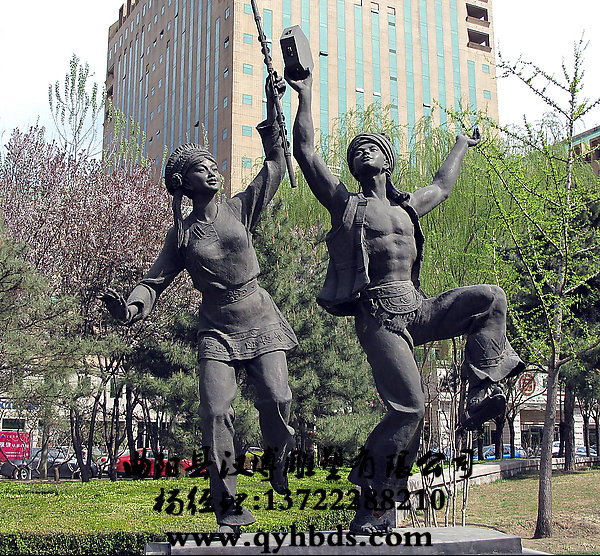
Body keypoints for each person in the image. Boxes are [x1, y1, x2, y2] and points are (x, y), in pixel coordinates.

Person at [285, 69, 524, 533]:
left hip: (418, 307)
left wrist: (461, 143)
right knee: (410, 409)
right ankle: (374, 500)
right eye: (355, 151)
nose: (361, 152)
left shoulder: (407, 208)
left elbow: (444, 185)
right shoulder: (346, 205)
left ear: (387, 161)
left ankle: (479, 390)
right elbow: (307, 153)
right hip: (379, 316)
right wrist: (307, 93)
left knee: (490, 298)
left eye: (370, 147)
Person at [101, 76, 297, 533]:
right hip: (216, 329)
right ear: (183, 184)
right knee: (215, 412)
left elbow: (275, 164)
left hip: (259, 315)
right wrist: (130, 309)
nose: (212, 172)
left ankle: (278, 458)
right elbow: (153, 282)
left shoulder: (240, 208)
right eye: (200, 169)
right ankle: (228, 508)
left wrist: (273, 105)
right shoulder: (182, 236)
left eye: (212, 166)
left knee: (278, 398)